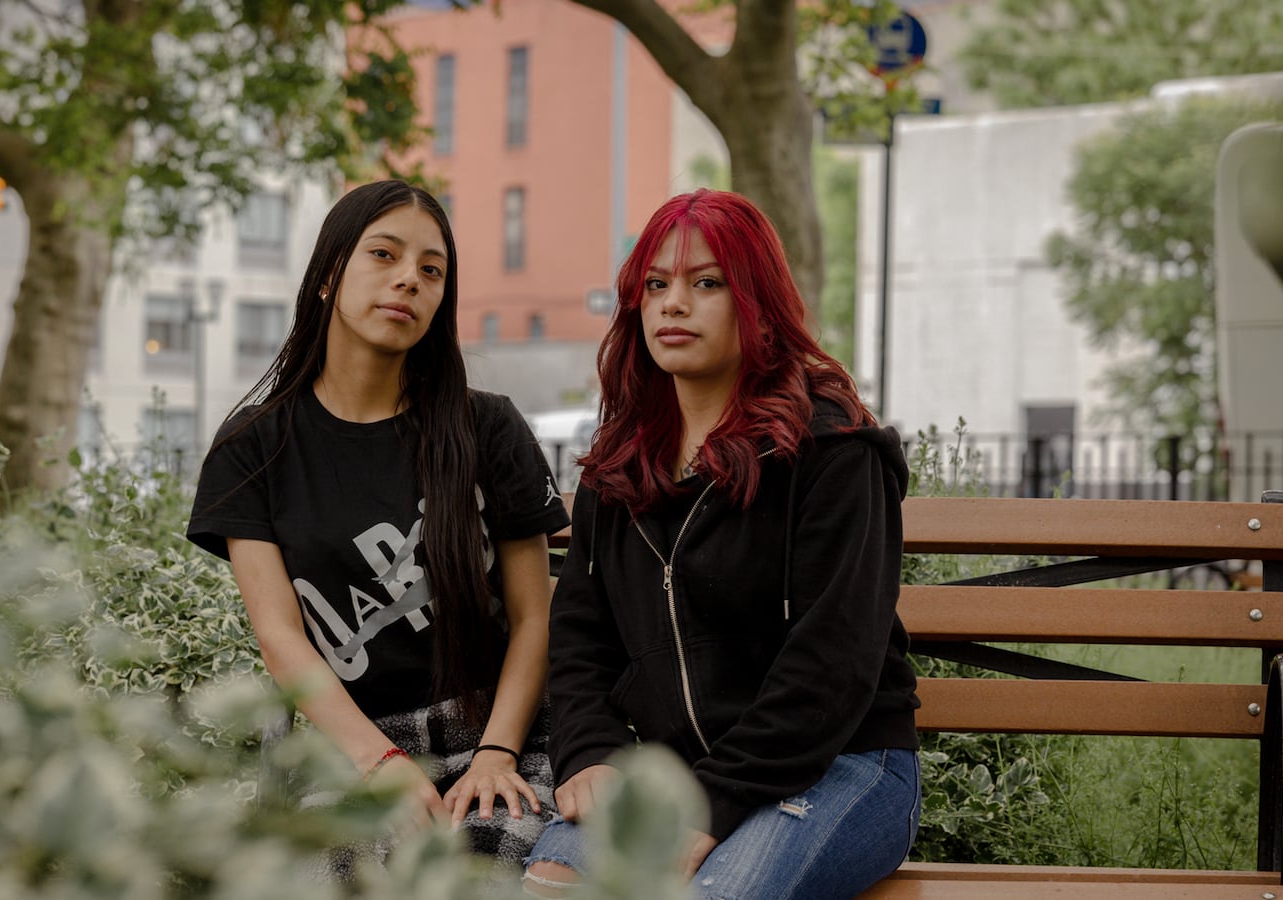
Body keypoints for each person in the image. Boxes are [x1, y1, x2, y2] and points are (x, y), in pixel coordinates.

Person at [523, 189, 920, 899]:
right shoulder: (621, 465)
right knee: (554, 885)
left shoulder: (832, 450)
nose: (674, 304)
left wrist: (709, 806)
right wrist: (590, 753)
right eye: (656, 285)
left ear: (757, 301)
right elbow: (581, 636)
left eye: (707, 283)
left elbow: (833, 661)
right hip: (678, 773)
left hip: (844, 767)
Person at [187, 180, 569, 875]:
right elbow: (281, 637)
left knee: (495, 875)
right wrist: (379, 760)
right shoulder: (255, 448)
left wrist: (497, 752)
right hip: (345, 745)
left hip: (492, 731)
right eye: (384, 255)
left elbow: (534, 615)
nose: (407, 281)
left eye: (431, 271)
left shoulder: (488, 429)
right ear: (331, 274)